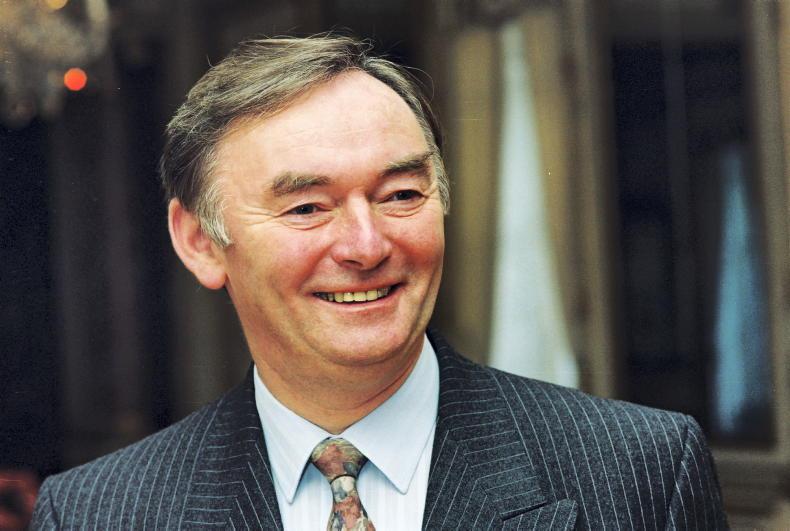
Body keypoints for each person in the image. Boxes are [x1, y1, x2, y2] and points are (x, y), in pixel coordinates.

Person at [31, 35, 728, 530]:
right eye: (308, 207)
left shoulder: (638, 474)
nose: (367, 246)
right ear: (200, 242)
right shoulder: (97, 514)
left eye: (400, 195)